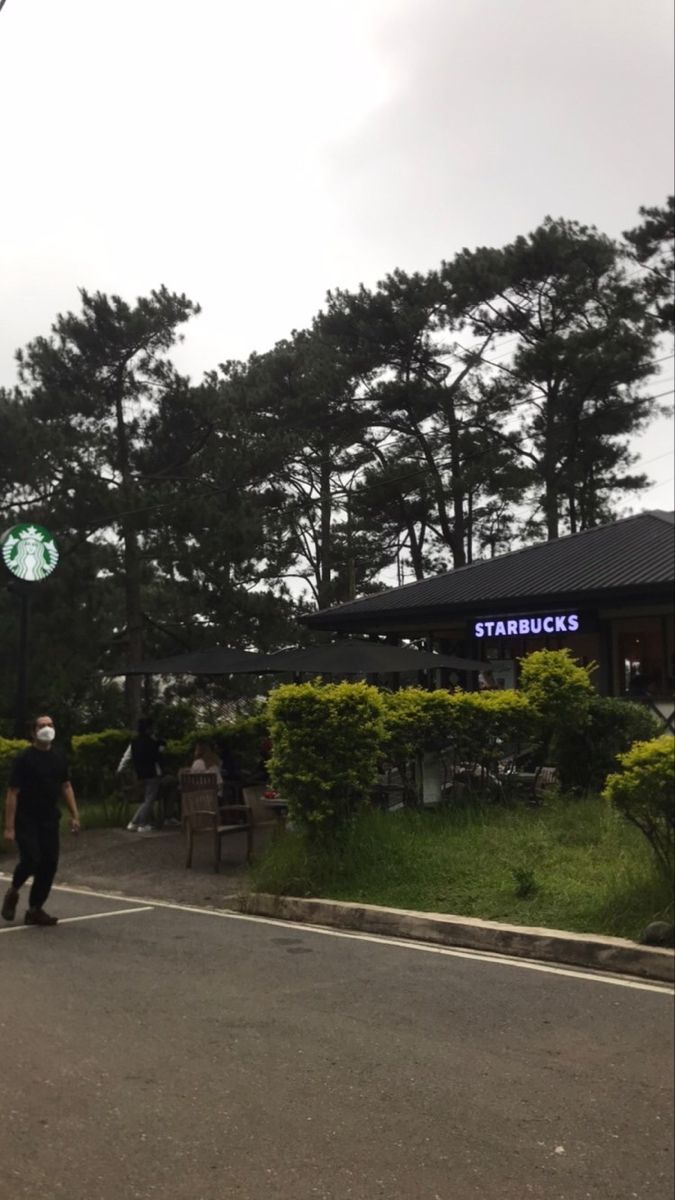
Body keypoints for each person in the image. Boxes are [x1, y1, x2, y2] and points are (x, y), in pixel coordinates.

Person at [2, 714, 80, 927]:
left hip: (48, 818)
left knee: (49, 863)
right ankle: (13, 891)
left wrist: (74, 815)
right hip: (26, 818)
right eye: (42, 725)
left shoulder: (59, 757)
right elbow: (13, 792)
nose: (47, 728)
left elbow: (66, 786)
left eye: (50, 725)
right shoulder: (24, 759)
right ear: (33, 732)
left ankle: (35, 908)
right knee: (31, 859)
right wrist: (9, 827)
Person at [118, 717, 164, 832]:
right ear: (149, 728)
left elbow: (127, 757)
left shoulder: (134, 742)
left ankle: (134, 823)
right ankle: (141, 824)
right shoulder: (153, 743)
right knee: (149, 800)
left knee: (146, 800)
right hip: (153, 773)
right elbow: (158, 757)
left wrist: (119, 770)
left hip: (140, 774)